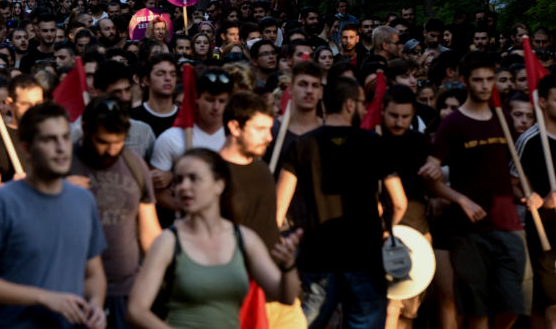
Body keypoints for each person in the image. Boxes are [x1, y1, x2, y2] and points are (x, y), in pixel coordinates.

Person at [0, 100, 109, 329]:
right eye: (49, 140)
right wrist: (43, 297)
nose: (61, 147)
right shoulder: (0, 202)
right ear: (26, 148)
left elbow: (94, 273)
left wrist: (96, 305)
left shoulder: (84, 200)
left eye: (65, 137)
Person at [277, 77, 407, 329]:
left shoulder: (302, 145)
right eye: (361, 103)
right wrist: (382, 232)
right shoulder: (373, 142)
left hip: (318, 257)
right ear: (349, 104)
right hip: (364, 256)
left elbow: (279, 207)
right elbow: (399, 202)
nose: (363, 109)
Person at [420, 51, 535, 329]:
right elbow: (431, 177)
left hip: (509, 225)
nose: (485, 86)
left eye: (489, 80)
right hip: (469, 230)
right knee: (477, 311)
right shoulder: (453, 124)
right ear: (464, 81)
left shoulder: (503, 118)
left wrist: (527, 193)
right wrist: (461, 200)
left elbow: (511, 168)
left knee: (514, 305)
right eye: (478, 80)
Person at [127, 148, 302, 329]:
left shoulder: (244, 239)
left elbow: (286, 297)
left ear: (219, 185)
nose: (184, 187)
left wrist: (288, 265)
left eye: (194, 179)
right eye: (179, 180)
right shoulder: (168, 241)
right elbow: (136, 310)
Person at [218, 91, 306, 329]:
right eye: (260, 129)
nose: (269, 137)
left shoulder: (263, 171)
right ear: (235, 127)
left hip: (279, 292)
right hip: (238, 298)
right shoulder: (211, 175)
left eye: (270, 128)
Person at [71, 97, 161, 328]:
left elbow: (150, 232)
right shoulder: (63, 165)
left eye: (119, 142)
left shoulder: (134, 163)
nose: (111, 150)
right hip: (73, 295)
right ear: (85, 129)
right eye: (103, 142)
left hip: (127, 292)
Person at [379, 84, 432, 329]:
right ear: (382, 110)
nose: (399, 122)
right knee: (388, 306)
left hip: (417, 232)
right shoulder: (371, 140)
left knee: (409, 310)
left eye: (405, 117)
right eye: (394, 116)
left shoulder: (420, 142)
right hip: (380, 233)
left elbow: (430, 185)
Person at [513, 73, 556, 329]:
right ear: (542, 102)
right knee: (550, 305)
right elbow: (512, 179)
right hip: (545, 235)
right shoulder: (528, 140)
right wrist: (533, 198)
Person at [0, 73, 40, 184]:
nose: (33, 110)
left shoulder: (52, 136)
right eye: (26, 104)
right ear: (10, 104)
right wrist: (10, 186)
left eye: (38, 103)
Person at [132, 53, 180, 137]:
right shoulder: (132, 117)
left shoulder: (185, 118)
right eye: (160, 74)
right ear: (146, 80)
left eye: (173, 74)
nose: (168, 78)